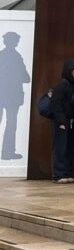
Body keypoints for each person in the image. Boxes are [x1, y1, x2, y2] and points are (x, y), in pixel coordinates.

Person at [49, 58, 74, 183]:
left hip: (70, 122)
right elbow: (55, 104)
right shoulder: (63, 83)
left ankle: (67, 172)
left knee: (68, 148)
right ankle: (58, 174)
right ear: (69, 70)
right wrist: (61, 122)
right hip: (62, 122)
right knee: (60, 148)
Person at [0, 31, 30, 160]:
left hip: (4, 95)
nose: (17, 43)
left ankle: (8, 153)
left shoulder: (1, 55)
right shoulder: (17, 57)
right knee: (11, 124)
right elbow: (26, 77)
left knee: (10, 124)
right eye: (16, 40)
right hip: (12, 97)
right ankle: (7, 153)